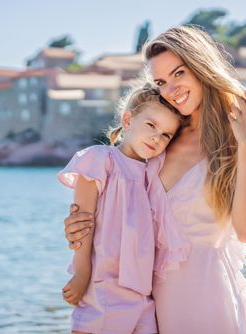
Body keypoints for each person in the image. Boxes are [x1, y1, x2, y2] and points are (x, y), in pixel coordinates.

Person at [64, 25, 246, 334]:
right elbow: (117, 195)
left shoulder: (238, 133)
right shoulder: (163, 135)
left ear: (201, 66)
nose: (171, 89)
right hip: (144, 299)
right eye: (161, 81)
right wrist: (81, 224)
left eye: (179, 74)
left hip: (206, 294)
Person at [57, 85, 184, 334]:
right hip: (103, 287)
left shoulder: (153, 174)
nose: (156, 137)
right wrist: (82, 274)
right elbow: (82, 222)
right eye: (151, 125)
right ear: (127, 120)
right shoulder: (100, 159)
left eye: (166, 135)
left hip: (143, 293)